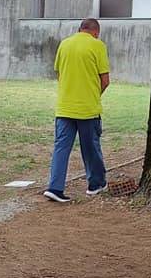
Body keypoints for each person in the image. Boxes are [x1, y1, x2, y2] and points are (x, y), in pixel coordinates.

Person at [44, 17, 110, 203]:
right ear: (96, 32)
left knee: (61, 147)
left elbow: (59, 73)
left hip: (64, 107)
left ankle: (55, 187)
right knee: (90, 147)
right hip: (87, 109)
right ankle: (96, 183)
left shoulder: (64, 44)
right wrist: (94, 94)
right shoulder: (98, 46)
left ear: (80, 29)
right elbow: (105, 80)